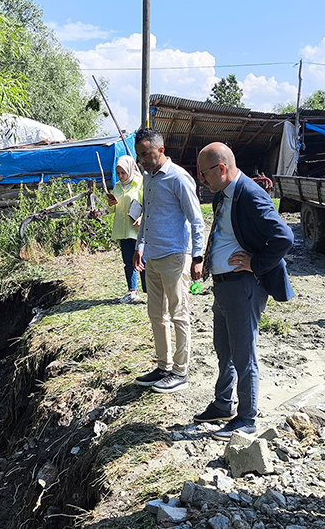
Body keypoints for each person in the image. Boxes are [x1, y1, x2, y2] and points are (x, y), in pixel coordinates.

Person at [192, 142, 294, 441]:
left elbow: (284, 237)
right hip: (224, 286)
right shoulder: (225, 195)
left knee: (243, 354)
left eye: (204, 173)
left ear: (221, 169)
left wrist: (256, 263)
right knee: (224, 349)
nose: (202, 179)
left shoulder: (249, 194)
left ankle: (247, 418)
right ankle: (223, 403)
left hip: (243, 287)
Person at [132, 128, 205, 394]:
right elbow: (147, 215)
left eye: (146, 154)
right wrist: (140, 246)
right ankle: (163, 366)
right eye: (139, 155)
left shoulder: (178, 178)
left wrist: (198, 257)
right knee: (156, 315)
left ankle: (180, 372)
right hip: (152, 256)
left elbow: (197, 220)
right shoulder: (148, 178)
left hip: (175, 257)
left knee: (179, 315)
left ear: (161, 150)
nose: (142, 160)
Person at [107, 155, 145, 304]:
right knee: (128, 261)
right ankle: (132, 291)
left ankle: (150, 291)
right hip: (123, 230)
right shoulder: (117, 186)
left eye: (123, 172)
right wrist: (111, 204)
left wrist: (142, 218)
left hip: (138, 229)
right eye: (118, 173)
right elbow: (112, 210)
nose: (121, 176)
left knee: (144, 261)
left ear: (130, 169)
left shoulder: (140, 183)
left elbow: (147, 204)